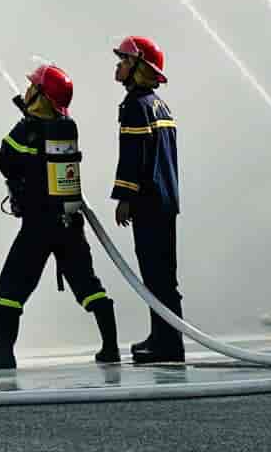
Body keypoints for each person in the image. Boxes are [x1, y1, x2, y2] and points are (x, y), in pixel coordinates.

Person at [0, 63, 120, 369]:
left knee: (11, 288)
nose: (28, 90)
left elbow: (6, 161)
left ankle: (2, 354)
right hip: (70, 221)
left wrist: (27, 123)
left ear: (42, 96)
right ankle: (111, 348)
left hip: (37, 226)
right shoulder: (67, 128)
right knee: (86, 283)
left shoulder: (25, 130)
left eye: (33, 87)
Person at [109, 35, 183, 363]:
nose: (119, 65)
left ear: (140, 67)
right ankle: (164, 336)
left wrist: (125, 196)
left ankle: (167, 343)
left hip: (149, 203)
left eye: (125, 60)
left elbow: (134, 157)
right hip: (165, 201)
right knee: (163, 275)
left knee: (156, 276)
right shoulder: (158, 104)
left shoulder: (136, 107)